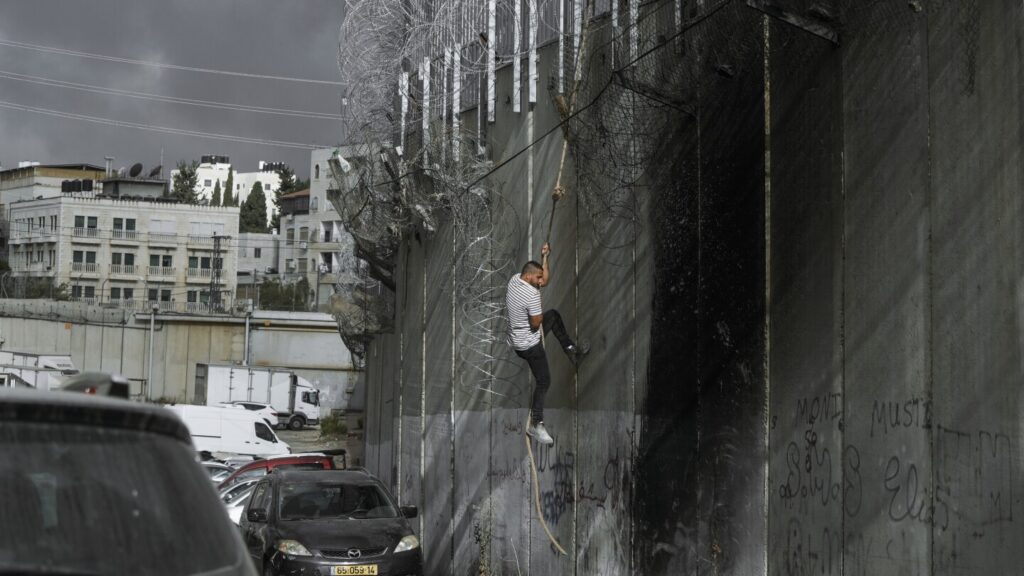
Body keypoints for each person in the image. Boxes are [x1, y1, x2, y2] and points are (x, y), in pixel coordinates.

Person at [505, 242, 589, 446]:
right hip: (529, 346)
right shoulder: (531, 295)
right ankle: (536, 424)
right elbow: (536, 324)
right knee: (544, 381)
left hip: (516, 339)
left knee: (554, 316)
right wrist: (535, 310)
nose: (541, 282)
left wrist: (545, 258)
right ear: (529, 277)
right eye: (538, 279)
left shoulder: (514, 279)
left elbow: (545, 279)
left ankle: (571, 351)